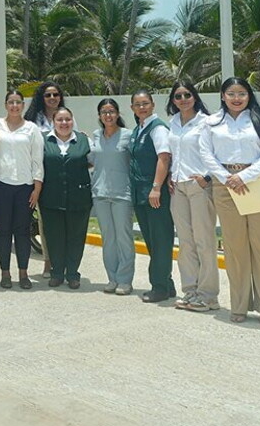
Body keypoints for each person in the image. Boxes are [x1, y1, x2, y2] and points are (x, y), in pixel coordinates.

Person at [199, 77, 260, 327]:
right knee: (235, 248)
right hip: (225, 186)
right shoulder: (211, 123)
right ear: (222, 96)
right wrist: (227, 178)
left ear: (249, 96)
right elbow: (206, 153)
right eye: (231, 93)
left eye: (242, 93)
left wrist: (244, 176)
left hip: (259, 182)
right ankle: (239, 306)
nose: (237, 98)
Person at [167, 80, 219, 313]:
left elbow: (218, 152)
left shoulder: (207, 122)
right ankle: (190, 291)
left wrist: (207, 177)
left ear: (195, 97)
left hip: (199, 187)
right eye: (178, 96)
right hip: (177, 187)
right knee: (185, 243)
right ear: (173, 100)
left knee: (204, 241)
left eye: (187, 94)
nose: (183, 99)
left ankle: (208, 297)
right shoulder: (173, 122)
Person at [0, 88, 42, 289]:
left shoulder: (31, 129)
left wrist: (37, 188)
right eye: (10, 102)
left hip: (25, 187)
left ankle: (23, 273)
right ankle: (5, 273)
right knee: (3, 231)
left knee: (22, 231)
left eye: (18, 102)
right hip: (0, 184)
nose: (14, 106)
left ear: (23, 105)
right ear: (5, 105)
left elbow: (37, 160)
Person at [129, 89, 175, 303]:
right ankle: (168, 283)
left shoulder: (158, 129)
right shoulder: (139, 129)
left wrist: (156, 187)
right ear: (132, 108)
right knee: (152, 240)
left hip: (155, 193)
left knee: (160, 240)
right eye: (138, 104)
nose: (142, 107)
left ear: (153, 104)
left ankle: (159, 287)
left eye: (145, 103)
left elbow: (164, 158)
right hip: (141, 193)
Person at [39, 108, 92, 289]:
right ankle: (57, 273)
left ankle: (73, 274)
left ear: (72, 120)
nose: (64, 123)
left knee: (76, 237)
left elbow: (93, 162)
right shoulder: (42, 139)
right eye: (60, 119)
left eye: (67, 119)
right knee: (54, 237)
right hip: (50, 198)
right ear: (53, 121)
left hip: (79, 198)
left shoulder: (84, 140)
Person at [88, 98, 135, 295]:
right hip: (100, 194)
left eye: (112, 111)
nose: (108, 115)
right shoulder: (95, 136)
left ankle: (125, 280)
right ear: (99, 116)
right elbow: (90, 160)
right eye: (104, 112)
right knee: (108, 238)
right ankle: (112, 278)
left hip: (122, 194)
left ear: (118, 114)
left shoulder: (128, 135)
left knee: (124, 238)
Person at [24, 81, 65, 276]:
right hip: (40, 178)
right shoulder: (32, 121)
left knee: (64, 222)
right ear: (42, 98)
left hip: (63, 178)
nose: (52, 98)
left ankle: (65, 263)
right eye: (47, 95)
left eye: (55, 94)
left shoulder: (66, 117)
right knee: (45, 223)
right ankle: (48, 262)